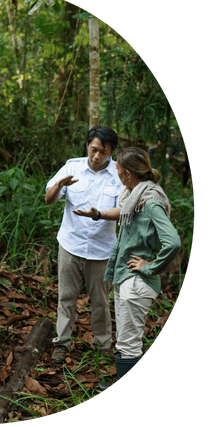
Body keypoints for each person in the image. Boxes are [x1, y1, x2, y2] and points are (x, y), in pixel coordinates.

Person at [96, 147, 181, 386]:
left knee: (130, 341)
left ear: (129, 174)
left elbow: (173, 241)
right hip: (125, 276)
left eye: (119, 170)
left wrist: (150, 267)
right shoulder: (133, 198)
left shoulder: (150, 201)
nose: (116, 173)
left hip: (137, 280)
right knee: (125, 340)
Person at [45, 126, 124, 363]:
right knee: (66, 296)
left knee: (100, 299)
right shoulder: (72, 167)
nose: (98, 156)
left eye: (104, 152)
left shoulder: (119, 174)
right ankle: (61, 343)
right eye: (94, 149)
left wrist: (99, 214)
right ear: (87, 146)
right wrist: (60, 185)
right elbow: (48, 199)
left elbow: (124, 209)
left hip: (102, 249)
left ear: (112, 152)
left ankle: (103, 345)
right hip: (71, 243)